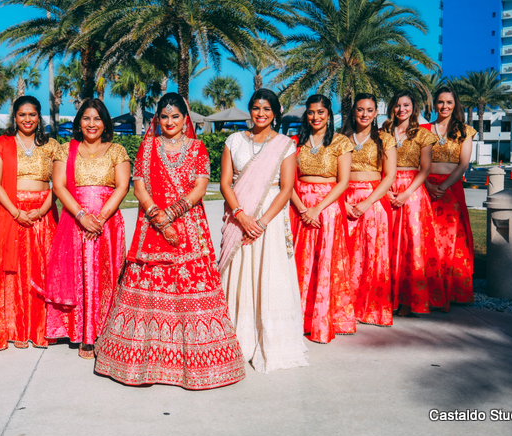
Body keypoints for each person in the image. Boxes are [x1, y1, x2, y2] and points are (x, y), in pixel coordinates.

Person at [94, 93, 245, 389]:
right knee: (149, 289)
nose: (170, 122)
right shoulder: (148, 147)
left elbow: (201, 187)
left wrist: (172, 214)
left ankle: (197, 365)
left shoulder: (198, 147)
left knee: (190, 288)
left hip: (189, 230)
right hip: (152, 229)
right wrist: (157, 217)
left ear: (185, 119)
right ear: (157, 119)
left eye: (175, 116)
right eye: (164, 116)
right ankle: (143, 363)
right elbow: (138, 186)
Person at [219, 89, 308, 373]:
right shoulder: (233, 140)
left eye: (267, 109)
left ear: (275, 113)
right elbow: (224, 183)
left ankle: (268, 339)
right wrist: (241, 216)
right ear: (250, 110)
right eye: (256, 108)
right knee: (241, 271)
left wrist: (261, 222)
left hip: (269, 218)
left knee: (268, 273)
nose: (260, 113)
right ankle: (238, 338)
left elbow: (286, 188)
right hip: (239, 213)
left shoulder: (284, 144)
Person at [40, 99, 129, 359]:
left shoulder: (117, 150)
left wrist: (99, 218)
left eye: (97, 119)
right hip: (74, 220)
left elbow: (122, 187)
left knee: (104, 276)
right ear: (79, 121)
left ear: (105, 123)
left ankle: (104, 331)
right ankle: (82, 334)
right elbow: (59, 187)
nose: (92, 124)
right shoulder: (66, 150)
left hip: (107, 223)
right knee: (77, 276)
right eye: (87, 118)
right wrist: (82, 216)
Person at [0, 96, 62, 351]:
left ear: (39, 117)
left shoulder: (52, 145)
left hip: (43, 213)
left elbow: (58, 185)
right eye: (22, 115)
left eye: (32, 114)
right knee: (12, 272)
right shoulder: (1, 144)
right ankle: (15, 328)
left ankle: (41, 328)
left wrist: (40, 211)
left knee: (42, 270)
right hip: (10, 212)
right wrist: (17, 212)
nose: (27, 119)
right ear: (14, 117)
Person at [289, 95, 355, 343]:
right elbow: (288, 181)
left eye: (320, 112)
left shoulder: (341, 143)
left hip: (326, 207)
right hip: (299, 207)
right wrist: (302, 208)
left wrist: (317, 209)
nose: (315, 117)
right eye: (311, 112)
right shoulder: (296, 142)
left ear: (329, 114)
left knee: (324, 262)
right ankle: (298, 318)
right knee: (300, 262)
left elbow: (343, 182)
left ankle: (321, 320)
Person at [381, 91, 445, 315]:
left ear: (413, 107)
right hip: (386, 189)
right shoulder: (382, 133)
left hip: (413, 192)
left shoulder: (422, 134)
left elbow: (425, 169)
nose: (401, 110)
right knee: (387, 244)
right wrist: (386, 190)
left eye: (406, 105)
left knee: (411, 245)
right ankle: (387, 296)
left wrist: (407, 193)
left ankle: (411, 299)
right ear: (392, 107)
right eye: (398, 105)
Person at [341, 93, 397, 327]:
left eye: (370, 110)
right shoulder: (341, 139)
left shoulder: (385, 139)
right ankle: (345, 306)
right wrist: (342, 202)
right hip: (344, 197)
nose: (364, 114)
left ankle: (372, 309)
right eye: (360, 109)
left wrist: (367, 202)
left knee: (372, 255)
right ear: (354, 111)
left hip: (374, 201)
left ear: (376, 113)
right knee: (345, 254)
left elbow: (390, 175)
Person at [422, 86, 476, 304]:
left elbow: (463, 165)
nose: (445, 106)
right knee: (426, 240)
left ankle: (448, 292)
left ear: (456, 105)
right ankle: (427, 292)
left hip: (450, 189)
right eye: (441, 102)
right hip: (424, 187)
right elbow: (414, 163)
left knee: (449, 241)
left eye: (449, 102)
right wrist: (426, 183)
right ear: (434, 104)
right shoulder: (423, 129)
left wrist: (443, 186)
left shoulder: (465, 131)